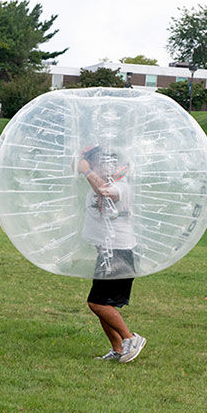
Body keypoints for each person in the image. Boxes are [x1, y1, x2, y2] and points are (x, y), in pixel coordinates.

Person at [77, 145, 146, 363]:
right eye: (94, 164)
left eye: (98, 164)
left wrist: (87, 171)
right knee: (101, 304)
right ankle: (117, 349)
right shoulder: (106, 179)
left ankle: (131, 338)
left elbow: (105, 192)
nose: (95, 168)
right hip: (107, 252)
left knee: (97, 303)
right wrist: (83, 158)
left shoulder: (120, 186)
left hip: (119, 253)